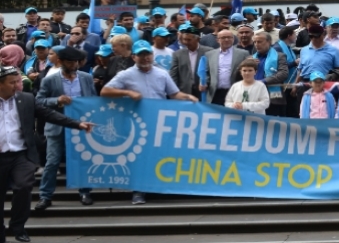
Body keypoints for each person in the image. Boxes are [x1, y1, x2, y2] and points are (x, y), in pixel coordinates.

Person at [0, 65, 94, 243]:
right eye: (12, 83)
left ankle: (18, 227)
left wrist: (77, 124)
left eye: (18, 81)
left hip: (21, 154)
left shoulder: (26, 99)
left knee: (24, 186)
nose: (17, 85)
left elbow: (50, 114)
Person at [100, 40, 198, 205]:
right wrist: (128, 93)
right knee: (140, 157)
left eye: (148, 54)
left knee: (159, 154)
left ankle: (159, 186)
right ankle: (138, 191)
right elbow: (105, 91)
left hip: (159, 122)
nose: (145, 58)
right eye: (141, 55)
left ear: (152, 55)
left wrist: (187, 97)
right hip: (137, 122)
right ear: (134, 57)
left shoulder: (162, 73)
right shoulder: (125, 74)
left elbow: (173, 94)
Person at [34, 47, 96, 210]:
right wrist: (57, 100)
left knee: (83, 160)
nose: (74, 65)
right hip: (57, 126)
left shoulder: (86, 78)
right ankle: (45, 196)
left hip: (81, 125)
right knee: (52, 162)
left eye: (76, 62)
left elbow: (93, 100)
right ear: (60, 62)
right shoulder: (49, 80)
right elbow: (39, 102)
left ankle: (85, 192)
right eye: (70, 62)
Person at [203, 30, 251, 106]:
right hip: (215, 93)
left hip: (235, 92)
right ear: (217, 40)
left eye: (229, 37)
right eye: (223, 38)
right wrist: (204, 82)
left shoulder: (243, 53)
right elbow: (206, 71)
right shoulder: (209, 54)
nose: (227, 39)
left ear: (233, 39)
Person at [252, 32, 289, 115]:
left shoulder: (279, 56)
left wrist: (264, 81)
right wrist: (247, 64)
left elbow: (283, 73)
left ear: (269, 42)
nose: (256, 44)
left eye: (259, 42)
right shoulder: (252, 58)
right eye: (255, 42)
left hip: (273, 96)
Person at [169, 26, 211, 99]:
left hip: (204, 91)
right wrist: (175, 93)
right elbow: (173, 75)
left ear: (198, 39)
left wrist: (206, 83)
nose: (186, 42)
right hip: (185, 92)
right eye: (184, 40)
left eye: (189, 40)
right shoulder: (177, 54)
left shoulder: (209, 52)